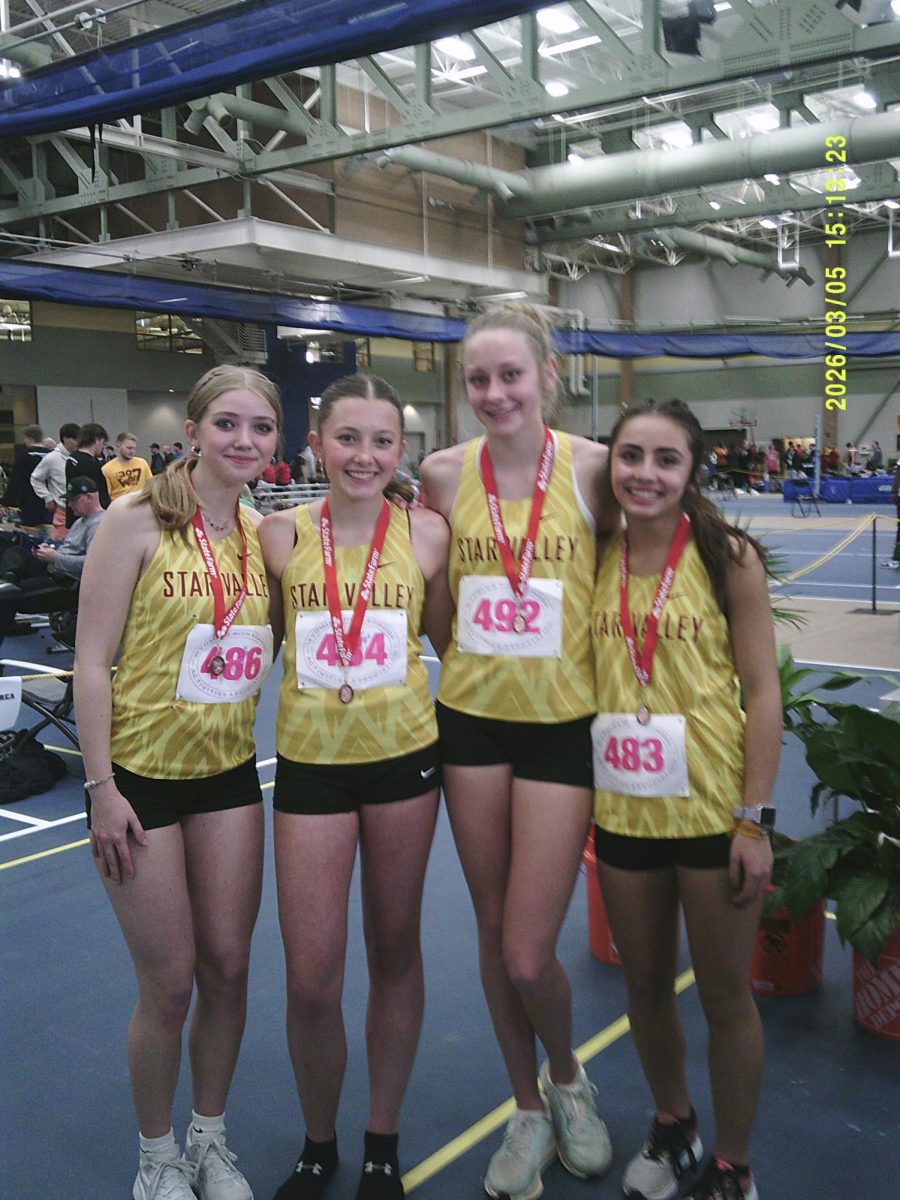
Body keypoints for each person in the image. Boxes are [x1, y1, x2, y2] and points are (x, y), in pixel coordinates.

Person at [73, 365, 282, 1200]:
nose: (244, 441)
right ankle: (156, 1154)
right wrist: (101, 789)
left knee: (229, 968)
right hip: (140, 782)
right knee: (169, 980)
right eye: (226, 424)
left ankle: (208, 1138)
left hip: (228, 775)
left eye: (260, 428)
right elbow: (90, 664)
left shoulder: (264, 534)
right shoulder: (133, 521)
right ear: (192, 430)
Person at [419, 303, 614, 1200]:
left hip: (562, 727)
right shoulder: (440, 473)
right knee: (497, 938)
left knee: (531, 951)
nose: (495, 393)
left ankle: (569, 1078)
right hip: (471, 722)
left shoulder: (596, 471)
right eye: (478, 380)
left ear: (548, 376)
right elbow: (432, 601)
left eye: (511, 376)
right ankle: (522, 1106)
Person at [259, 373, 451, 1200]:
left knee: (395, 949)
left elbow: (454, 644)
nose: (363, 456)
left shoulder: (431, 536)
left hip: (406, 761)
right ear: (317, 442)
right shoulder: (276, 535)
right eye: (347, 438)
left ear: (399, 450)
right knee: (311, 976)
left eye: (381, 441)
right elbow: (261, 643)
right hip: (309, 766)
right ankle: (318, 1137)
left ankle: (380, 1137)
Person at [590, 398, 781, 1200]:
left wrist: (754, 820)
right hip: (624, 810)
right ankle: (673, 1123)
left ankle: (731, 1164)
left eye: (666, 460)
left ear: (693, 469)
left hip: (710, 811)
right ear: (610, 462)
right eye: (630, 456)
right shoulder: (592, 551)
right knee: (642, 986)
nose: (645, 474)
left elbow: (763, 690)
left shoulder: (725, 557)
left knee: (725, 995)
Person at [0, 475, 103, 647]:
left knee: (6, 600)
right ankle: (8, 580)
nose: (69, 505)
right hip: (55, 569)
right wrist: (50, 550)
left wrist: (55, 557)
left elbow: (92, 564)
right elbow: (68, 548)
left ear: (90, 498)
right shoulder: (80, 522)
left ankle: (8, 587)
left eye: (73, 500)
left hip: (69, 583)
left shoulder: (100, 523)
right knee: (15, 551)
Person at [31, 422, 80, 534]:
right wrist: (47, 497)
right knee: (62, 545)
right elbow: (35, 478)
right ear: (66, 439)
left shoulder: (79, 457)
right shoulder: (52, 458)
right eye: (76, 439)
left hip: (80, 511)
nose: (79, 443)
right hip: (62, 510)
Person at [1, 423, 50, 526]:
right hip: (50, 503)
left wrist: (6, 501)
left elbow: (15, 481)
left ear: (28, 438)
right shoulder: (52, 455)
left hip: (29, 503)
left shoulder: (23, 456)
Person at [66, 422, 110, 514]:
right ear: (97, 440)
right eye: (103, 443)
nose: (102, 447)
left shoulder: (72, 458)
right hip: (89, 514)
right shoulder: (90, 463)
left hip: (73, 511)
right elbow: (93, 494)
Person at [102, 432, 153, 500]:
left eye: (134, 448)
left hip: (141, 504)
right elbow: (107, 496)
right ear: (118, 445)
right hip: (120, 507)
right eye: (129, 448)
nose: (132, 451)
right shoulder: (106, 469)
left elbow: (151, 485)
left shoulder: (142, 463)